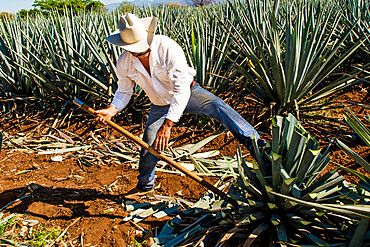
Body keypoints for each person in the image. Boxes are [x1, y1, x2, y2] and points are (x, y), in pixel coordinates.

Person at [96, 13, 265, 198]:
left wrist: (168, 125)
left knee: (219, 108)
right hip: (160, 104)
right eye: (135, 51)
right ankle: (145, 186)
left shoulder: (167, 47)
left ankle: (259, 148)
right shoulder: (124, 62)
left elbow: (181, 90)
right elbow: (124, 91)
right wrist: (111, 110)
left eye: (143, 49)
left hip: (189, 93)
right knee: (149, 142)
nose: (140, 53)